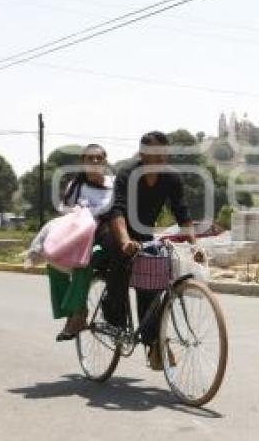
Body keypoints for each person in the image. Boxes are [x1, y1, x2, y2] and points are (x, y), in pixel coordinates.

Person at [101, 131, 197, 370]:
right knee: (122, 262)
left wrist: (194, 246)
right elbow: (117, 211)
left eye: (164, 155)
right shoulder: (127, 173)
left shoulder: (171, 179)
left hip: (143, 233)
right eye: (155, 155)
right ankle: (112, 315)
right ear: (142, 154)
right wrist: (124, 241)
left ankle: (152, 342)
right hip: (115, 229)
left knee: (151, 282)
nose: (160, 160)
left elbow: (182, 214)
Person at [26, 143, 114, 341]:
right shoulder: (75, 186)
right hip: (77, 238)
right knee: (54, 264)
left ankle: (79, 315)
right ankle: (71, 315)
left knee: (86, 261)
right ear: (82, 162)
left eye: (99, 158)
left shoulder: (114, 185)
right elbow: (66, 218)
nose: (95, 162)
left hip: (102, 238)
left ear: (105, 161)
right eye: (90, 158)